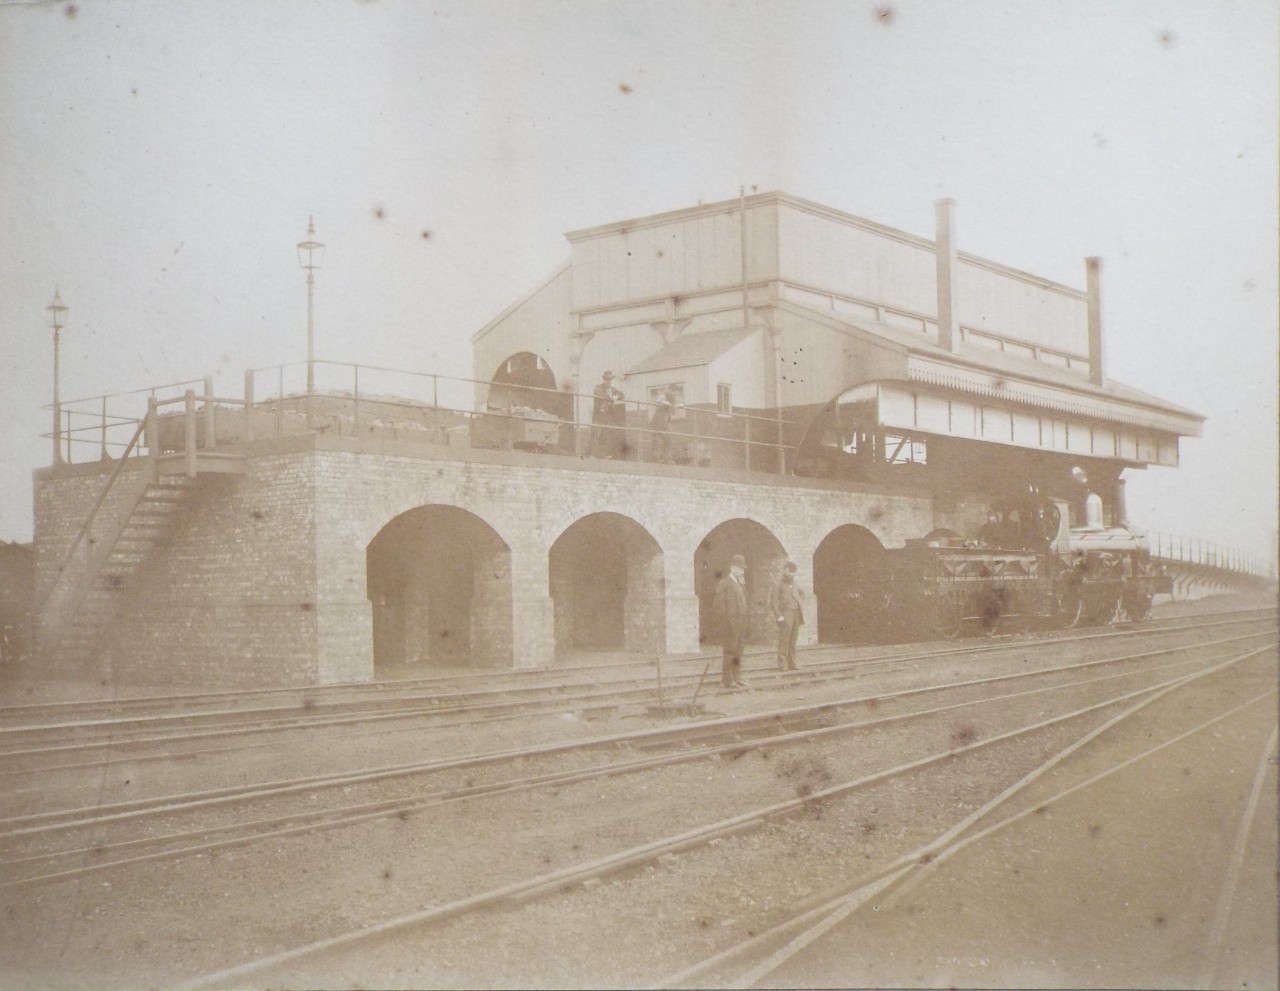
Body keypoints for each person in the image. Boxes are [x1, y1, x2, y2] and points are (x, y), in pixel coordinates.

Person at [713, 553, 750, 689]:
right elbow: (719, 607)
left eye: (742, 569)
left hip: (740, 624)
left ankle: (737, 677)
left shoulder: (740, 584)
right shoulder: (724, 584)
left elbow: (745, 603)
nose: (742, 571)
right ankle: (727, 680)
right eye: (740, 568)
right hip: (730, 625)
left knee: (739, 652)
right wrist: (725, 625)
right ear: (733, 568)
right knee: (729, 652)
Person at [769, 560, 803, 671]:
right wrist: (779, 615)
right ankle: (782, 664)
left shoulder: (795, 584)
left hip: (796, 614)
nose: (790, 574)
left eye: (792, 572)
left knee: (793, 639)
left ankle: (793, 663)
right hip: (786, 614)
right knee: (784, 639)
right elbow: (773, 602)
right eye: (788, 571)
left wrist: (799, 602)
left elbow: (801, 593)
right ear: (784, 571)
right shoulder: (777, 584)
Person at [590, 371, 626, 458]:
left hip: (608, 416)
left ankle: (605, 454)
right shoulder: (599, 388)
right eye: (607, 379)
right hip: (599, 415)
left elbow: (622, 394)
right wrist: (611, 398)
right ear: (603, 379)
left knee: (607, 435)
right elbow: (598, 393)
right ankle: (592, 454)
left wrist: (616, 397)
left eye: (610, 380)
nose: (609, 381)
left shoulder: (613, 390)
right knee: (596, 434)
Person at [649, 384, 679, 463]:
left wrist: (674, 406)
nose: (673, 393)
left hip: (664, 422)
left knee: (668, 440)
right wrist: (666, 403)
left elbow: (673, 410)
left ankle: (667, 459)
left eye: (675, 392)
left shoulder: (673, 399)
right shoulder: (663, 396)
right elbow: (659, 402)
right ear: (669, 390)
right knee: (658, 441)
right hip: (658, 421)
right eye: (672, 391)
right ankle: (657, 459)